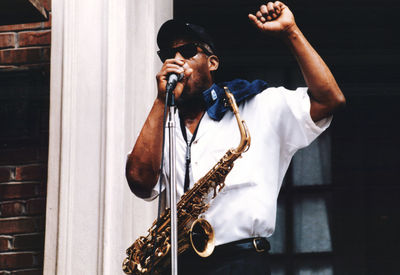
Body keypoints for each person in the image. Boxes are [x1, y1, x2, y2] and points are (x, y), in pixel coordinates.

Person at [126, 1, 345, 274]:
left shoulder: (258, 105)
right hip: (181, 262)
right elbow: (139, 182)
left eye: (187, 51)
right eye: (169, 54)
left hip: (242, 261)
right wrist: (162, 100)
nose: (176, 60)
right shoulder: (164, 124)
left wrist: (291, 31)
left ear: (213, 62)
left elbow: (329, 99)